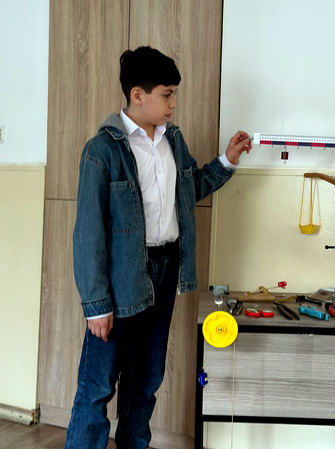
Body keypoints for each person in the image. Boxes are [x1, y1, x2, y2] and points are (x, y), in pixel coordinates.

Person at [65, 46, 252, 449]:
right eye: (167, 94)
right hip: (121, 280)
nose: (173, 103)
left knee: (146, 381)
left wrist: (227, 160)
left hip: (165, 272)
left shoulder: (173, 142)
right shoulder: (102, 151)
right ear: (138, 95)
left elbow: (188, 190)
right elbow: (88, 233)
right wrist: (96, 305)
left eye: (174, 94)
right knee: (97, 387)